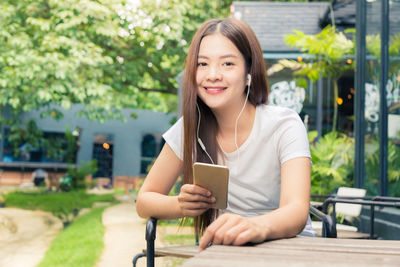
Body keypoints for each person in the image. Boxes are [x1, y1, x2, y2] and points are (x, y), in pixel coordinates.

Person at [136, 17, 315, 251]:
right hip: (228, 251)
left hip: (289, 249)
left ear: (249, 71)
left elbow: (296, 210)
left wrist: (255, 227)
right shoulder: (189, 127)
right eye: (202, 64)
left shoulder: (284, 124)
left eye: (227, 64)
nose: (213, 75)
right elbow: (144, 201)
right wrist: (181, 205)